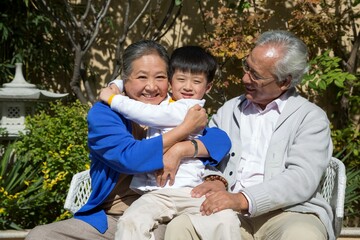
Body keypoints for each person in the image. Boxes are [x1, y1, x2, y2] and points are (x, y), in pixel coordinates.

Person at [25, 40, 230, 240]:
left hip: (164, 211)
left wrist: (182, 149)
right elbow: (130, 158)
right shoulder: (105, 113)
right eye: (141, 77)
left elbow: (220, 140)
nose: (151, 87)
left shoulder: (172, 108)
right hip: (110, 216)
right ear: (125, 79)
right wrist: (183, 130)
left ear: (169, 80)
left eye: (159, 77)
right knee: (40, 235)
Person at [165, 30, 334, 240]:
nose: (245, 78)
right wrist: (216, 179)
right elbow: (208, 157)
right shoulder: (229, 110)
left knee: (303, 236)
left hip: (290, 212)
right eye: (247, 67)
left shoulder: (310, 117)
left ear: (284, 82)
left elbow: (301, 179)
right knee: (182, 227)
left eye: (256, 75)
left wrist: (242, 199)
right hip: (228, 212)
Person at [99, 46, 241, 240]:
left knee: (225, 217)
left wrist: (112, 97)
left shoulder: (190, 107)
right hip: (157, 194)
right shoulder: (163, 101)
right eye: (181, 79)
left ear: (207, 88)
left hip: (190, 191)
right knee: (131, 222)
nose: (188, 87)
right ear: (171, 80)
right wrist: (118, 84)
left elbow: (147, 114)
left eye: (197, 82)